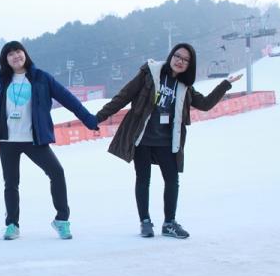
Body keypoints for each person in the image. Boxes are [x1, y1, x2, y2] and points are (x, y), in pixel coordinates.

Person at [95, 43, 243, 239]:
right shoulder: (150, 73)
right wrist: (98, 118)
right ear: (171, 55)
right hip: (142, 138)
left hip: (167, 141)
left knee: (172, 180)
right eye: (177, 56)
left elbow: (205, 104)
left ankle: (169, 223)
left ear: (189, 65)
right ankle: (145, 222)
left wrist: (225, 84)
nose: (180, 61)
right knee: (143, 179)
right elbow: (123, 97)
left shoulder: (185, 87)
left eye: (185, 60)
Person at [0, 41, 99, 240]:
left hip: (34, 139)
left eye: (18, 51)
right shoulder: (2, 81)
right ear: (5, 60)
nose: (15, 56)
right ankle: (12, 224)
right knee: (11, 183)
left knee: (57, 173)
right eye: (10, 54)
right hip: (8, 140)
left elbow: (68, 99)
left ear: (25, 54)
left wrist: (88, 119)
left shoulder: (41, 78)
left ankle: (61, 220)